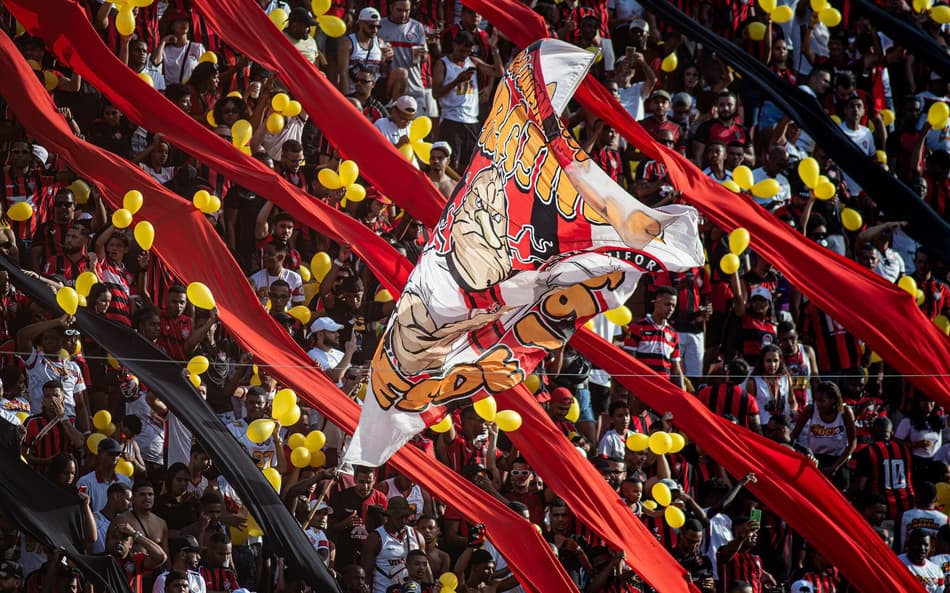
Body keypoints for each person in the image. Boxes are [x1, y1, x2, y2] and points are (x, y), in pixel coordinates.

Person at [432, 29, 502, 169]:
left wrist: (494, 49)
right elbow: (436, 93)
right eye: (461, 51)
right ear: (454, 45)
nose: (464, 55)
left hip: (471, 121)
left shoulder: (473, 62)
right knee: (451, 164)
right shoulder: (443, 64)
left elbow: (498, 72)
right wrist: (457, 81)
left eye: (467, 51)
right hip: (451, 120)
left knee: (470, 165)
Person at [790, 381, 856, 489]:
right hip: (815, 460)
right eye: (816, 400)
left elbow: (853, 442)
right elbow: (794, 435)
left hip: (838, 460)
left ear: (833, 399)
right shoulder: (810, 409)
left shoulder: (845, 412)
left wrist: (835, 467)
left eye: (822, 401)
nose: (818, 404)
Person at [851, 416, 916, 522]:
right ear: (892, 433)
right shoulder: (905, 450)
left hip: (880, 510)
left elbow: (859, 487)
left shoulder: (869, 451)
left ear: (871, 432)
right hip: (907, 507)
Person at [622, 285, 684, 388]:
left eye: (674, 306)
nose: (671, 309)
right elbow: (629, 362)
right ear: (655, 301)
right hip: (642, 386)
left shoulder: (673, 333)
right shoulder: (637, 328)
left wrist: (683, 394)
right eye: (667, 304)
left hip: (664, 387)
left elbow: (676, 370)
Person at [362, 497, 425, 593]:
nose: (404, 521)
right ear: (389, 516)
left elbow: (426, 569)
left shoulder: (417, 535)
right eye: (400, 517)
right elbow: (366, 574)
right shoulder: (376, 538)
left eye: (406, 516)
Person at [20, 380, 84, 470]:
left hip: (66, 476)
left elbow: (79, 443)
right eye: (48, 396)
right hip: (41, 475)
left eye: (56, 396)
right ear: (43, 400)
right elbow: (22, 452)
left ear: (63, 398)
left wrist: (63, 417)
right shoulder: (32, 422)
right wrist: (46, 461)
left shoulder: (72, 420)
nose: (52, 400)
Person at [696, 359, 762, 433]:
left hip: (711, 437)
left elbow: (697, 417)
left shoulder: (705, 392)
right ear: (744, 378)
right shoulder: (749, 399)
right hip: (737, 440)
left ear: (728, 372)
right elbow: (756, 427)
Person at [103, 520, 167, 593]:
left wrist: (134, 534)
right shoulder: (98, 560)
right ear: (108, 540)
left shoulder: (136, 560)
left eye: (124, 539)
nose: (119, 541)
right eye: (115, 537)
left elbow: (161, 557)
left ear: (131, 544)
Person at [77, 437, 134, 513]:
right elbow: (79, 508)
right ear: (100, 454)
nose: (115, 458)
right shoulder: (85, 482)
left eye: (117, 454)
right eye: (110, 454)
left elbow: (130, 509)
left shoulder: (125, 481)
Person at [747, 345, 796, 426]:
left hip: (783, 426)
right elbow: (749, 409)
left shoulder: (785, 378)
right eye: (768, 361)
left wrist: (793, 410)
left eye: (776, 361)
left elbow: (793, 401)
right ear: (762, 361)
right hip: (763, 426)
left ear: (780, 361)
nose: (772, 365)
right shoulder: (753, 382)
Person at [307, 316, 357, 385]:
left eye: (337, 331)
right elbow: (334, 377)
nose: (338, 334)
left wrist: (361, 374)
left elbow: (350, 376)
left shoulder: (340, 354)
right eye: (333, 332)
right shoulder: (311, 355)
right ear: (320, 335)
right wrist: (349, 352)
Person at [672, 519, 715, 593]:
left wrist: (712, 587)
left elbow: (712, 591)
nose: (694, 546)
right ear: (682, 534)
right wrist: (684, 584)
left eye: (697, 541)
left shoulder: (705, 560)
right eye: (690, 541)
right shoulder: (670, 556)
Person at [92, 482, 133, 554]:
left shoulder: (125, 524)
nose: (130, 505)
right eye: (128, 499)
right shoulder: (94, 521)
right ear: (115, 496)